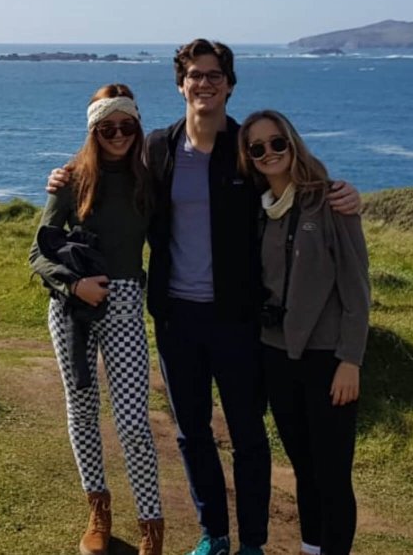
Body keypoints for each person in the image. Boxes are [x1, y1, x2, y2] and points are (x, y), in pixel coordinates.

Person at [49, 40, 361, 555]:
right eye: (195, 75)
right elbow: (107, 167)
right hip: (176, 318)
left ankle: (252, 543)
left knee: (247, 436)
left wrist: (342, 190)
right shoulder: (156, 149)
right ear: (181, 84)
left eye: (215, 75)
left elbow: (295, 174)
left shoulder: (249, 147)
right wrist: (63, 178)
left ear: (230, 85)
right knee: (193, 434)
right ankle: (214, 535)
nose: (205, 83)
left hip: (239, 319)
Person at [30, 83, 165, 555]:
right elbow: (37, 253)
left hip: (125, 304)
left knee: (132, 422)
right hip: (73, 309)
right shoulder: (70, 180)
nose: (118, 134)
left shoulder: (150, 179)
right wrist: (74, 286)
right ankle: (98, 511)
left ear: (137, 126)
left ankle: (152, 529)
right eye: (107, 127)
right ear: (94, 129)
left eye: (127, 125)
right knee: (82, 409)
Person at [238, 109, 369, 555]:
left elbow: (357, 287)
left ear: (292, 143)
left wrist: (351, 358)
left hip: (327, 357)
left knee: (333, 474)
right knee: (304, 469)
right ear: (249, 157)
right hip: (276, 356)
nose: (269, 153)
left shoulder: (329, 201)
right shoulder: (255, 212)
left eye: (277, 142)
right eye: (257, 148)